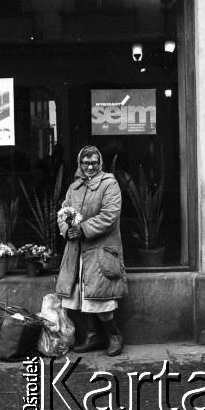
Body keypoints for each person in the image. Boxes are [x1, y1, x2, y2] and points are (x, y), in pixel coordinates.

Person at [56, 145, 127, 356]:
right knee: (80, 294)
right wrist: (67, 229)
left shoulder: (109, 184)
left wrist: (83, 229)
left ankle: (114, 336)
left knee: (100, 297)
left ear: (100, 163)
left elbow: (110, 215)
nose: (90, 167)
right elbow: (63, 212)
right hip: (77, 250)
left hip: (99, 250)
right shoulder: (74, 187)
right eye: (85, 163)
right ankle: (93, 336)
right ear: (80, 164)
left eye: (94, 163)